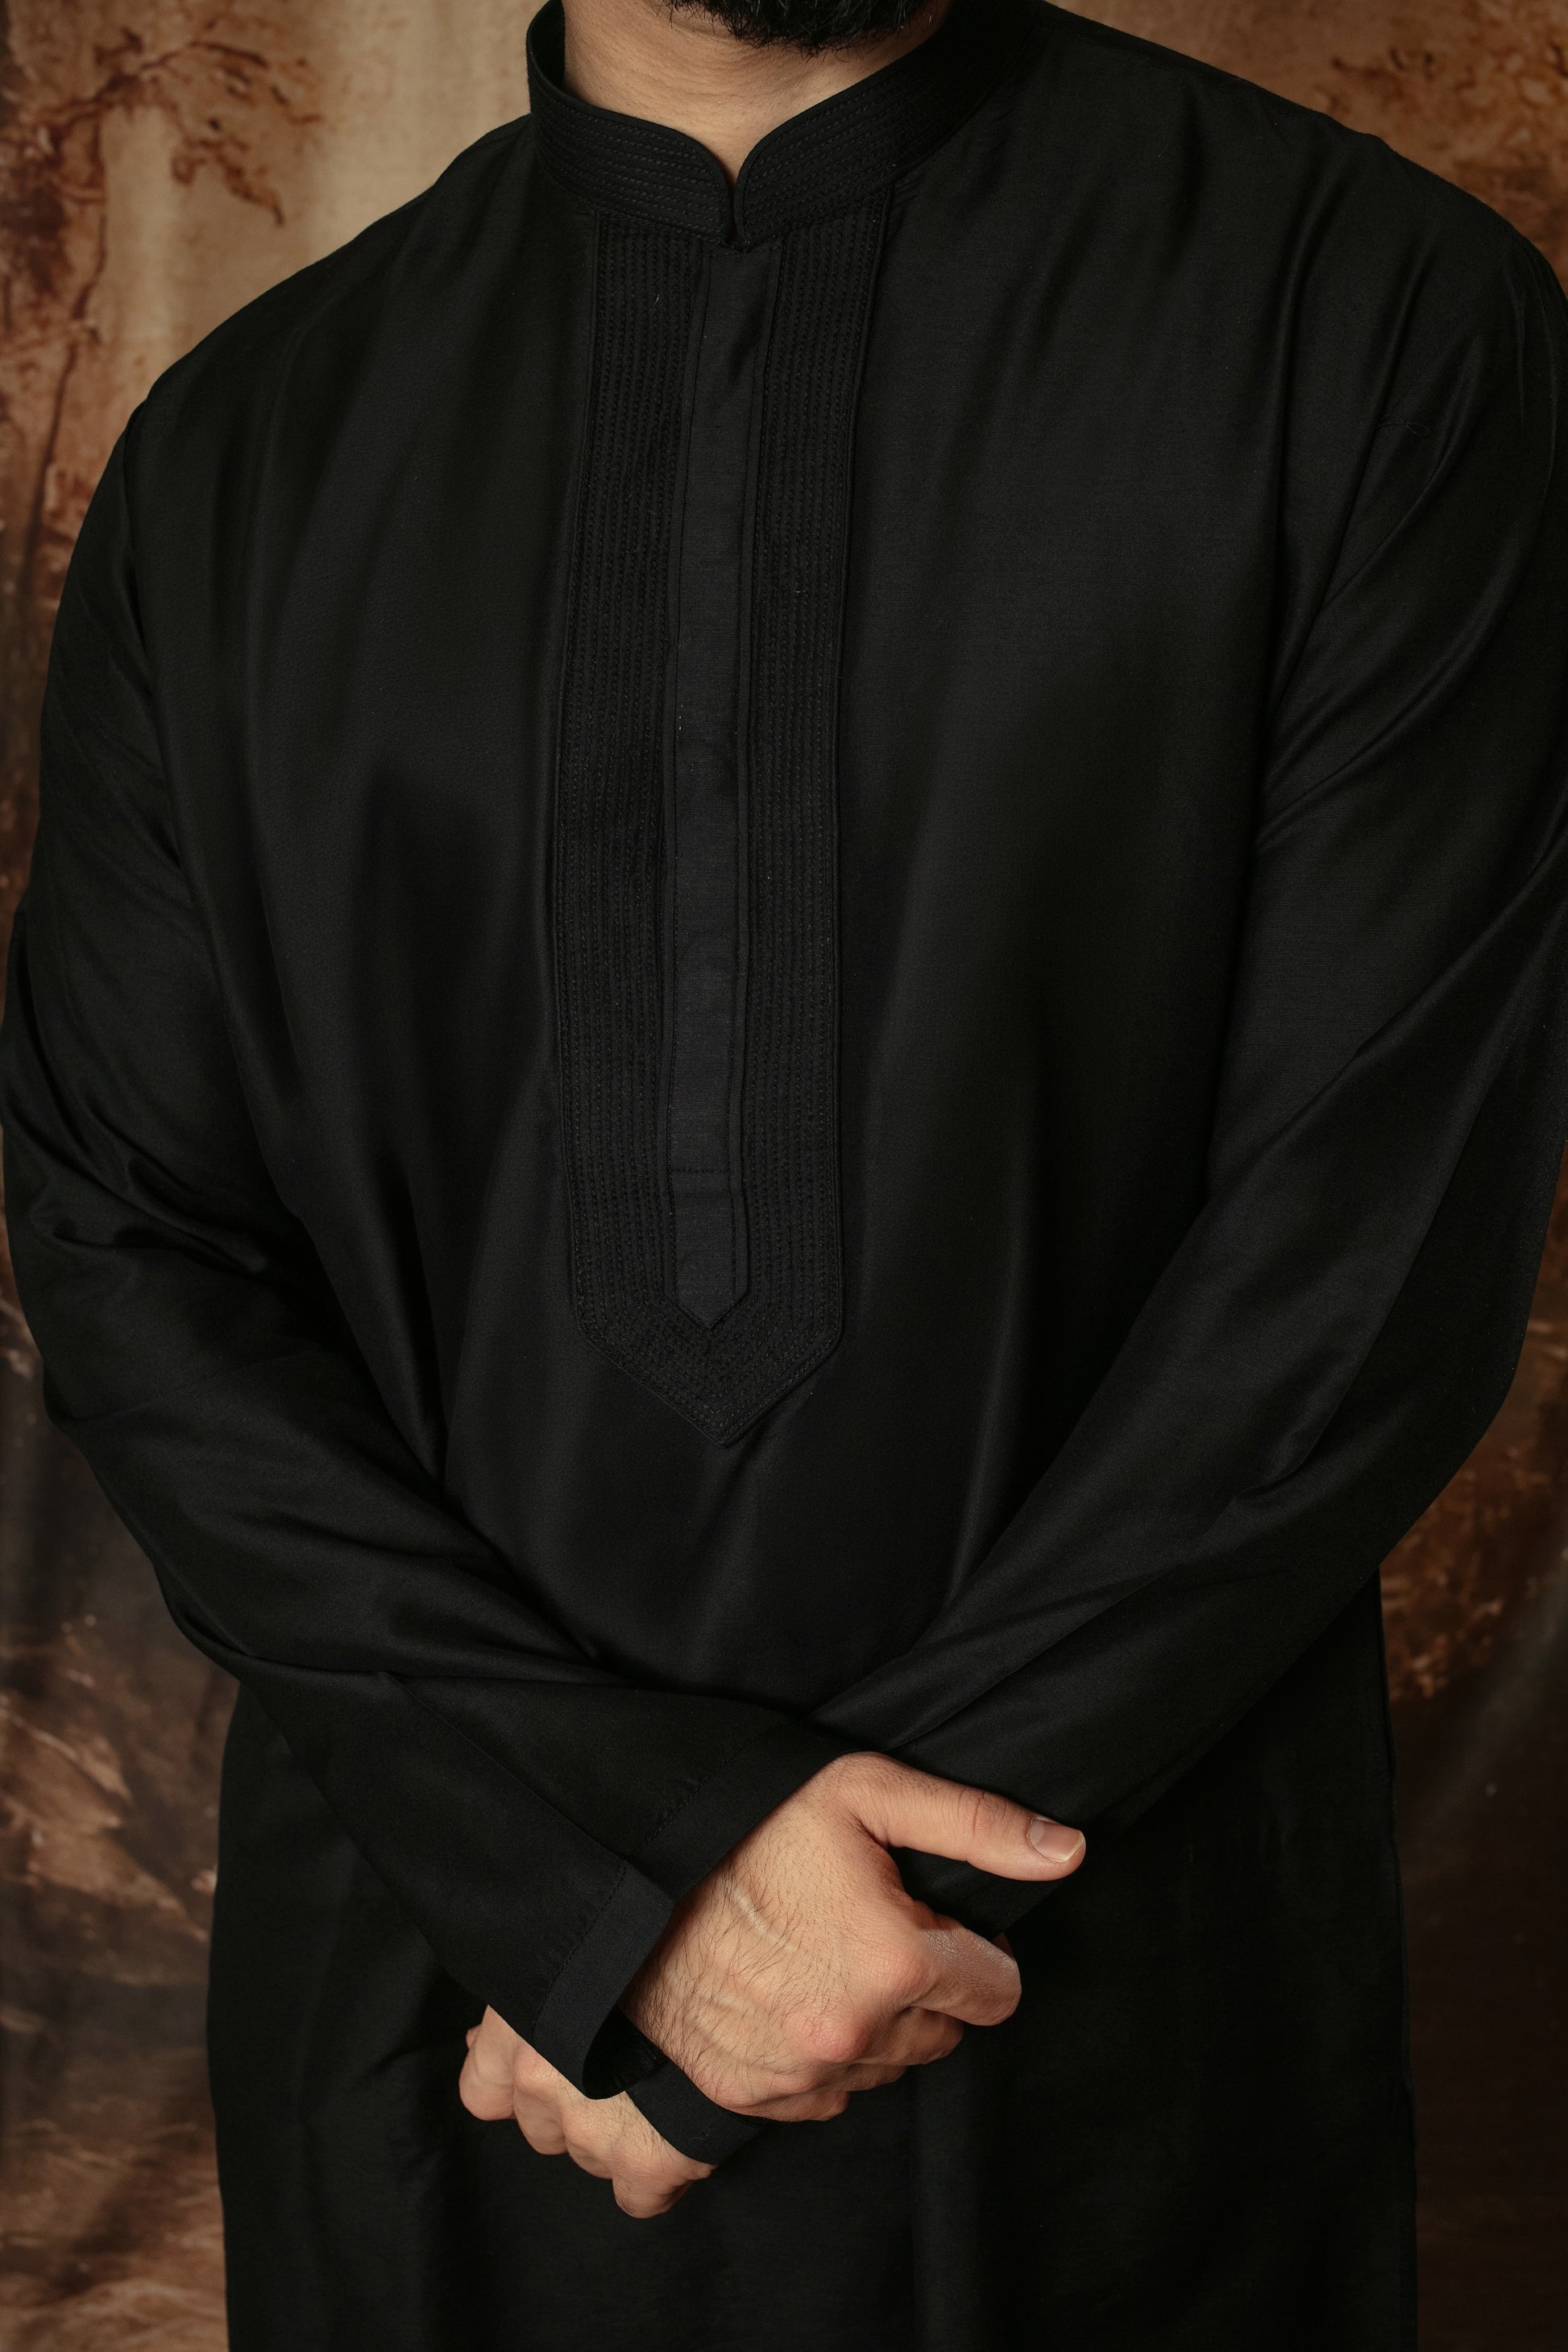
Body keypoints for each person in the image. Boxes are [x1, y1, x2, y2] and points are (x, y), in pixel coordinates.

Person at [4, 0, 1567, 2339]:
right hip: (459, 2034)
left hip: (1099, 2021)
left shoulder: (1373, 319)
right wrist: (602, 1891)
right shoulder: (243, 449)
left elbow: (1367, 1250)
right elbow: (131, 1249)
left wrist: (794, 1922)